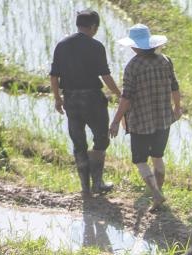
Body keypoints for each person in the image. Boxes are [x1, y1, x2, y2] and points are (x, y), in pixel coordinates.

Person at [50, 9, 122, 196]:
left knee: (78, 142)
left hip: (71, 99)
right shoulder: (96, 46)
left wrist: (58, 98)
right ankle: (97, 183)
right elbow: (105, 75)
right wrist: (119, 93)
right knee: (101, 139)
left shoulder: (62, 45)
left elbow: (54, 76)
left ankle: (85, 187)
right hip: (92, 99)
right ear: (93, 27)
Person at [109, 24, 181, 211]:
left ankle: (156, 194)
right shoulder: (165, 60)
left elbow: (127, 98)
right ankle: (158, 193)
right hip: (164, 118)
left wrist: (116, 121)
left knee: (140, 160)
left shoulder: (133, 66)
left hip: (140, 121)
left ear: (135, 46)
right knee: (157, 156)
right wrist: (178, 108)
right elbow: (175, 86)